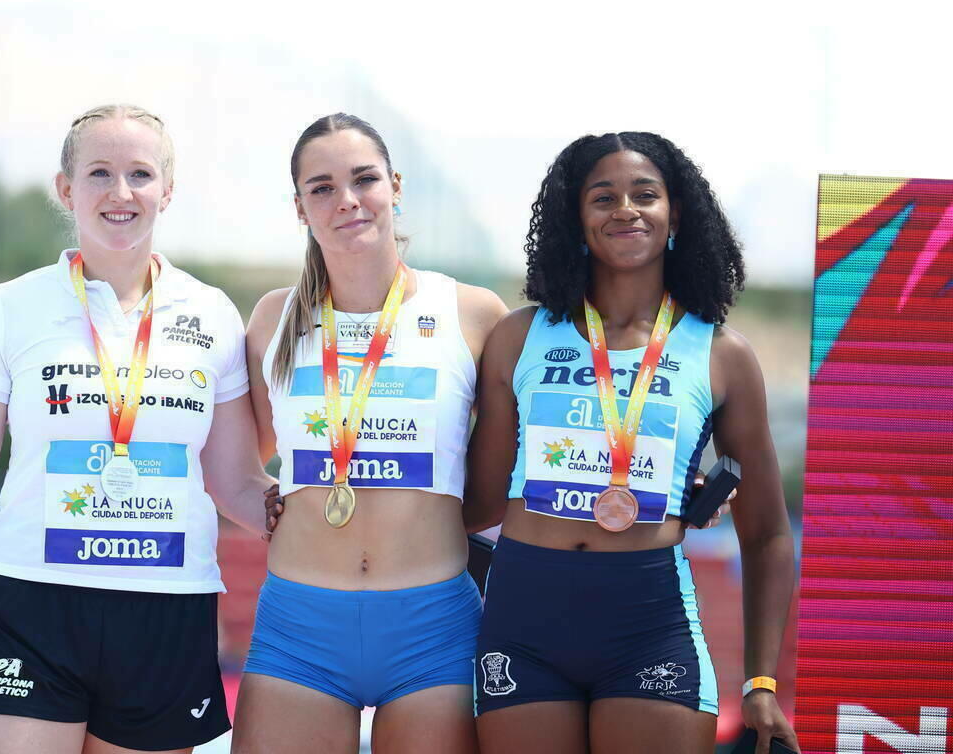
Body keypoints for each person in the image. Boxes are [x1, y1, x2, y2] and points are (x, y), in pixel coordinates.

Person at [0, 105, 274, 754]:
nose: (120, 192)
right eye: (99, 173)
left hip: (167, 609)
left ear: (167, 190)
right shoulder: (7, 310)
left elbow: (236, 483)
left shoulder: (213, 315)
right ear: (65, 188)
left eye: (139, 174)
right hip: (30, 604)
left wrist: (344, 511)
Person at [463, 132, 799, 754]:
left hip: (649, 623)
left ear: (675, 215)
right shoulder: (520, 337)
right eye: (603, 197)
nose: (626, 208)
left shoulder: (720, 353)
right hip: (523, 624)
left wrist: (761, 681)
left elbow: (768, 534)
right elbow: (476, 505)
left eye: (646, 194)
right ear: (576, 220)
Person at [230, 113, 509, 754]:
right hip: (300, 626)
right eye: (321, 187)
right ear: (299, 207)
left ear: (396, 185)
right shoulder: (274, 318)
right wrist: (260, 499)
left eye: (364, 179)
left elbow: (539, 443)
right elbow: (248, 454)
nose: (347, 200)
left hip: (433, 624)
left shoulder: (471, 312)